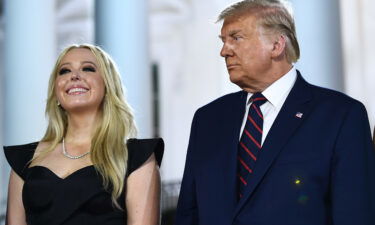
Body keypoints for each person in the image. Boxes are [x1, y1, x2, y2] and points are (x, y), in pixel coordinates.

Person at [175, 0, 375, 224]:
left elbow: (355, 214)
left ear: (277, 45)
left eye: (236, 38)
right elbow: (188, 213)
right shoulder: (208, 119)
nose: (224, 51)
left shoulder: (341, 116)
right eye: (223, 41)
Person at [4, 44, 164, 225]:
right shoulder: (24, 159)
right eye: (64, 71)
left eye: (88, 68)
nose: (74, 76)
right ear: (56, 91)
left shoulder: (138, 157)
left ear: (108, 85)